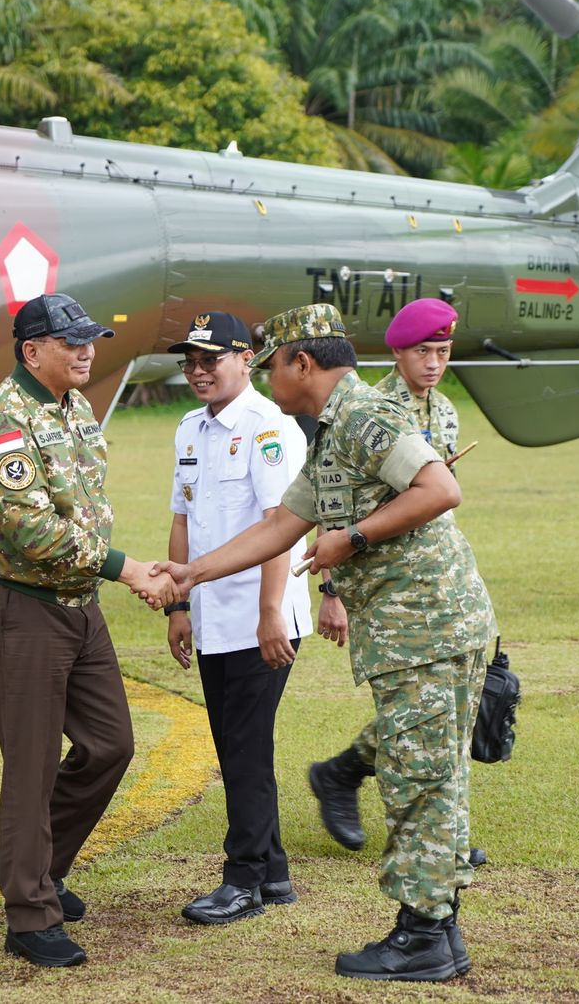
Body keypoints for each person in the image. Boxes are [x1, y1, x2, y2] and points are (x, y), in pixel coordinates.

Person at [155, 303, 495, 983]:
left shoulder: (367, 417)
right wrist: (192, 572)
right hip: (411, 632)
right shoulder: (336, 431)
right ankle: (437, 932)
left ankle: (424, 935)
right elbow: (282, 524)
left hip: (427, 627)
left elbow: (441, 488)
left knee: (420, 780)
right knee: (424, 775)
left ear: (300, 363)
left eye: (270, 363)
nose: (264, 376)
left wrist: (354, 538)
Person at [0, 292, 176, 968]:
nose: (87, 350)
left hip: (76, 604)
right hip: (25, 605)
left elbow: (83, 508)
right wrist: (126, 569)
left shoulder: (74, 407)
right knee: (29, 766)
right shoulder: (4, 420)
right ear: (32, 351)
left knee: (111, 743)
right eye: (71, 341)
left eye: (90, 339)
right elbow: (29, 529)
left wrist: (109, 574)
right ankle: (30, 913)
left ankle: (28, 859)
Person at [309, 298, 491, 872]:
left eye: (442, 351)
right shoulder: (370, 410)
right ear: (397, 352)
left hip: (441, 584)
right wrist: (332, 592)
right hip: (390, 593)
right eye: (423, 351)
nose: (433, 363)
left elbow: (437, 504)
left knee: (453, 714)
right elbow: (336, 509)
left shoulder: (446, 412)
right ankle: (349, 780)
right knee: (418, 715)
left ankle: (446, 838)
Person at [163, 311, 311, 925]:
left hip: (261, 618)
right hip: (212, 614)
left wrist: (271, 614)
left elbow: (280, 528)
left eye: (210, 359)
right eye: (189, 362)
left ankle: (243, 879)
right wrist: (177, 606)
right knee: (235, 747)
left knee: (245, 748)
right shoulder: (189, 429)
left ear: (244, 358)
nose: (198, 371)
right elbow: (182, 521)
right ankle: (272, 873)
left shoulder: (268, 428)